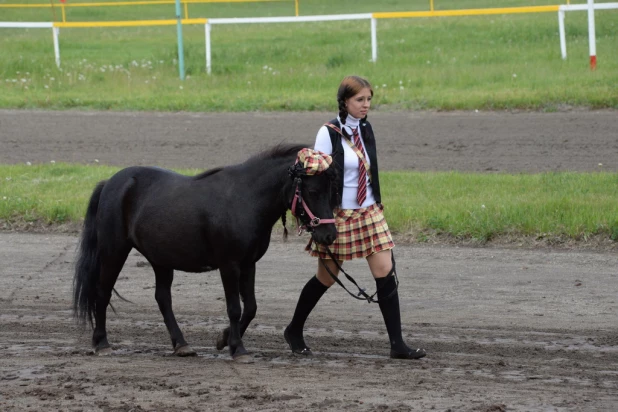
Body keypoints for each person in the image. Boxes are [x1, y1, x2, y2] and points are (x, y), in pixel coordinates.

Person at [284, 75, 426, 360]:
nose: (366, 105)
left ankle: (397, 344)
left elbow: (369, 172)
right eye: (360, 100)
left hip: (369, 211)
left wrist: (376, 201)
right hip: (340, 215)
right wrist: (320, 219)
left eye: (369, 99)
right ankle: (294, 329)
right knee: (326, 277)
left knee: (384, 270)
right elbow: (317, 179)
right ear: (344, 102)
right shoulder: (328, 133)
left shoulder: (366, 128)